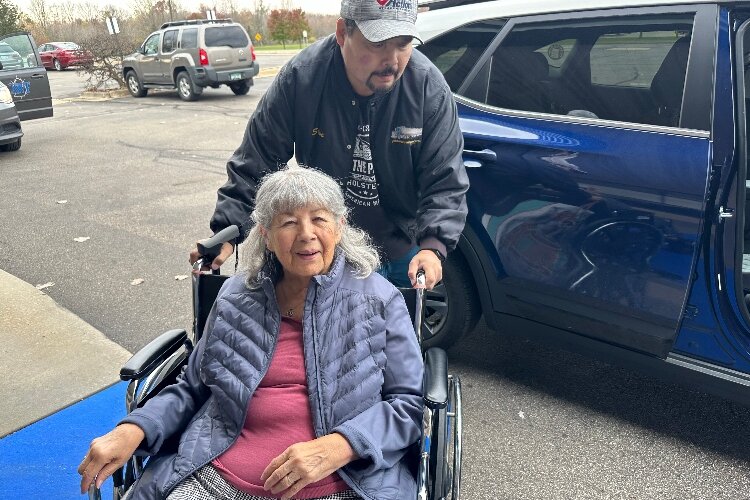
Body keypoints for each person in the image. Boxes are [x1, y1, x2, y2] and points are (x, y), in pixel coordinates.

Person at [79, 166, 424, 500]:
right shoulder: (236, 296)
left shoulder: (378, 299)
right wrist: (133, 428)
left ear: (339, 227)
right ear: (266, 236)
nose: (306, 233)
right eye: (289, 222)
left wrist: (340, 446)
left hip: (340, 483)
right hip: (215, 478)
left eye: (319, 218)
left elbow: (408, 406)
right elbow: (192, 389)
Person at [191, 0, 469, 290]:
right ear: (341, 32)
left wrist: (433, 247)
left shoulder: (427, 88)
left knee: (398, 331)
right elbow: (256, 161)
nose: (392, 59)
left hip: (403, 248)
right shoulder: (302, 78)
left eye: (403, 43)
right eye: (377, 44)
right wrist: (227, 232)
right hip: (332, 249)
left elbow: (445, 179)